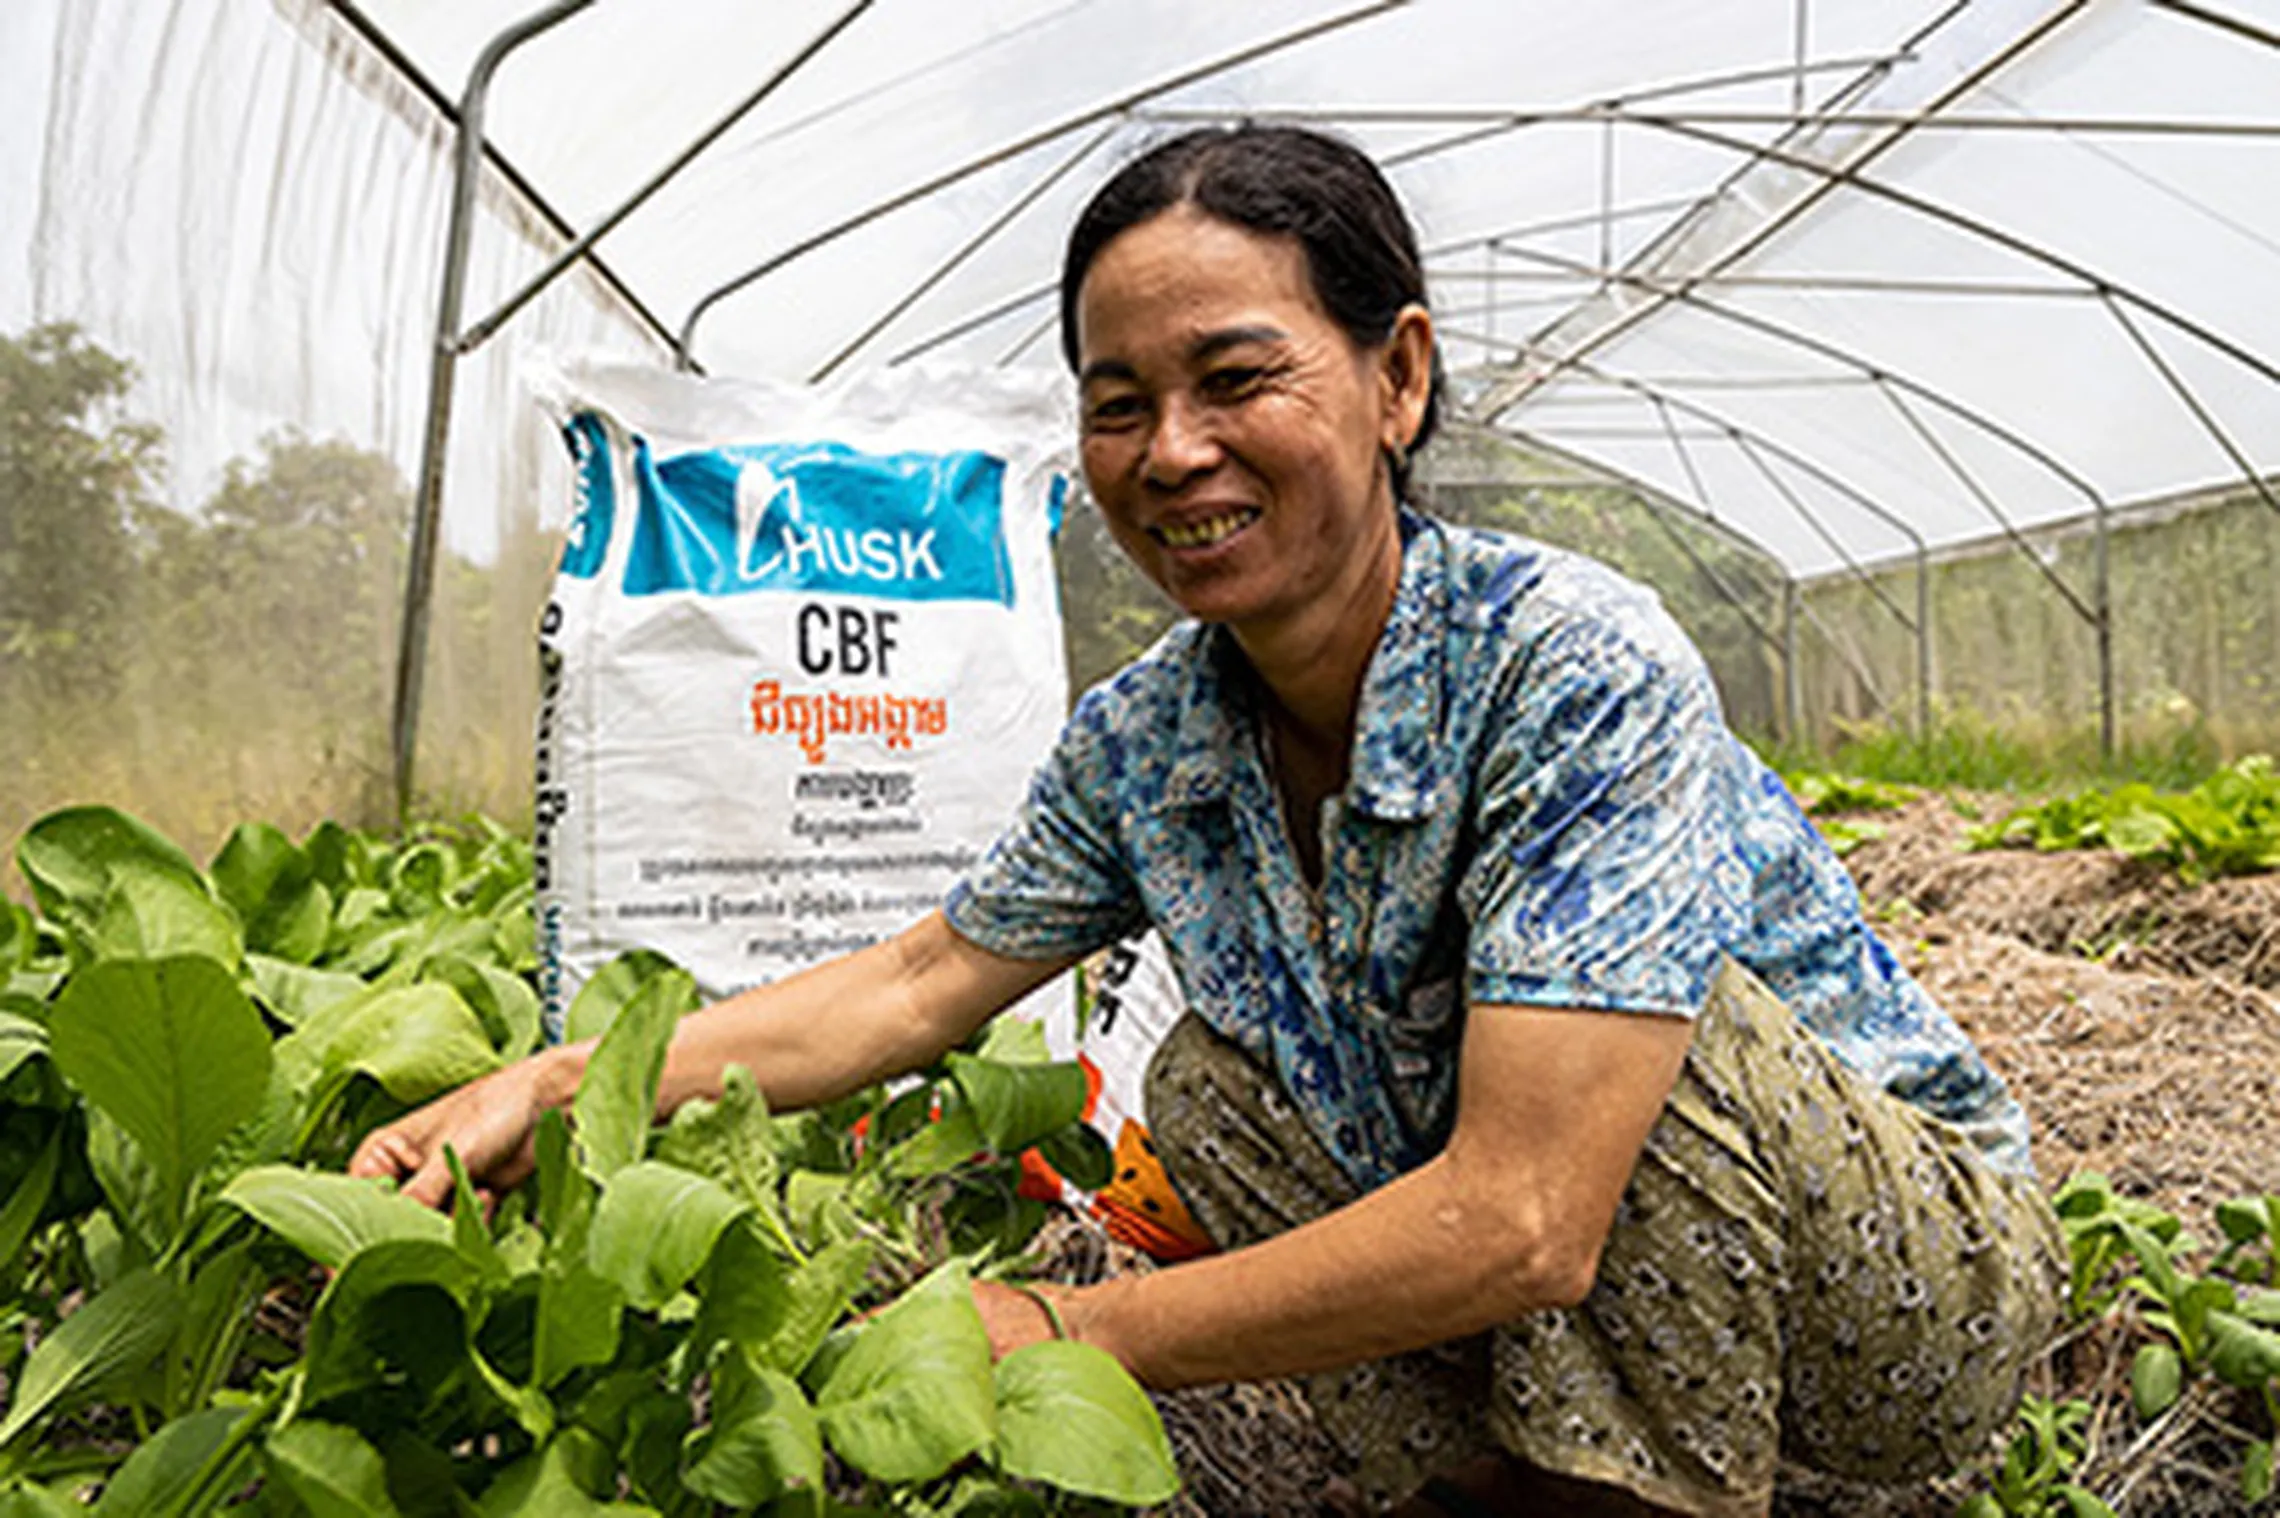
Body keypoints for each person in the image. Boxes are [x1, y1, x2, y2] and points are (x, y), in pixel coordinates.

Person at [353, 125, 2063, 1517]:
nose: (1172, 452)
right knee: (1213, 1095)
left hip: (1901, 1299)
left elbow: (1534, 1210)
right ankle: (1500, 1483)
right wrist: (563, 1084)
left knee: (1638, 1050)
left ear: (1396, 379)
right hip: (1570, 1284)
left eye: (1235, 378)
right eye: (1117, 401)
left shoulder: (1570, 661)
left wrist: (1052, 1326)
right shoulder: (1154, 735)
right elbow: (918, 979)